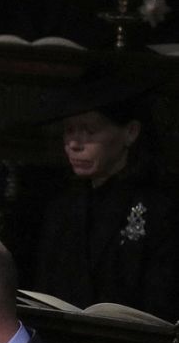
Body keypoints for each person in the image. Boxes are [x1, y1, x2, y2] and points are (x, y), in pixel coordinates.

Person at [32, 72, 179, 322]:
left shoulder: (161, 204)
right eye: (69, 130)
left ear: (130, 132)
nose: (74, 144)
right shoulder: (62, 204)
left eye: (88, 131)